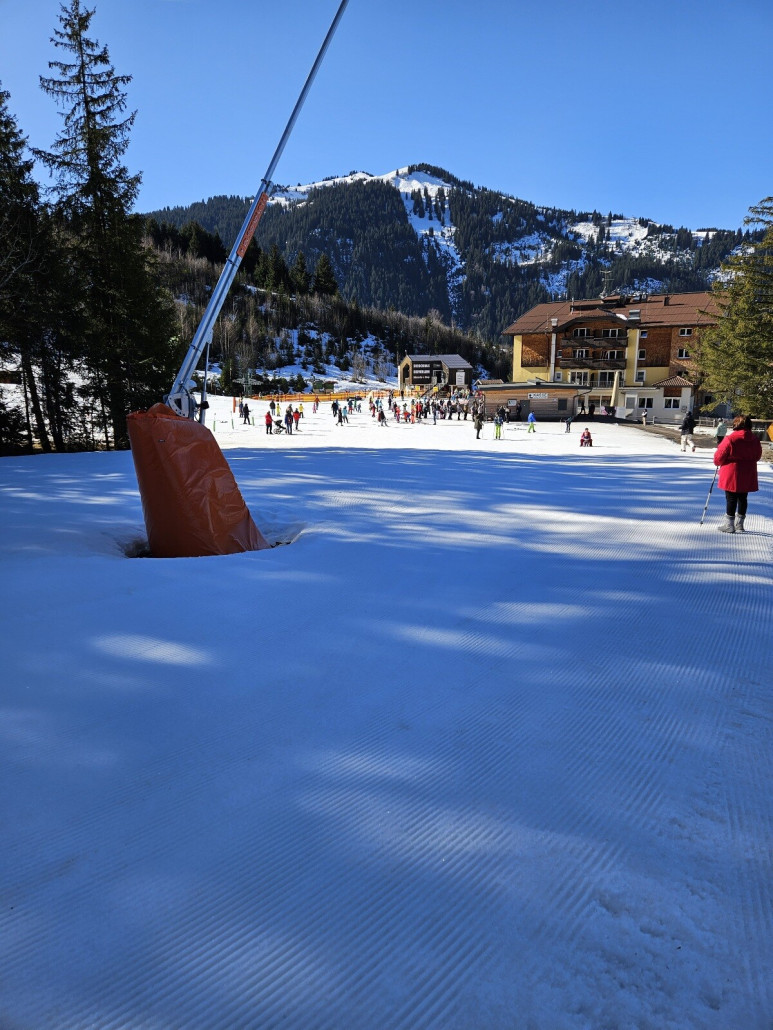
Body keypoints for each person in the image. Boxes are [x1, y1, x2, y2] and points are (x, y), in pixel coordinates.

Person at [713, 415, 762, 533]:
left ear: (736, 424)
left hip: (732, 472)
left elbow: (719, 457)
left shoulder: (730, 439)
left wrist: (718, 462)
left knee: (731, 497)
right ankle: (740, 525)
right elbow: (757, 456)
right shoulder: (755, 439)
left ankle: (729, 525)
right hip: (747, 471)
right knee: (743, 498)